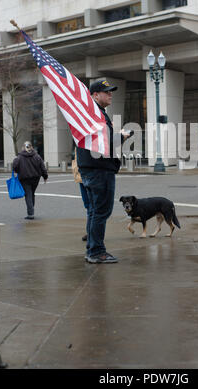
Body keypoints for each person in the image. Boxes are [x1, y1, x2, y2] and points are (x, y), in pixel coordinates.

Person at [77, 79, 131, 264]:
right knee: (100, 212)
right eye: (106, 91)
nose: (110, 94)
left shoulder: (90, 114)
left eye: (111, 91)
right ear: (95, 95)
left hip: (91, 169)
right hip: (99, 170)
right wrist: (122, 137)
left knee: (94, 211)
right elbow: (104, 143)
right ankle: (96, 251)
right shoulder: (96, 115)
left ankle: (92, 248)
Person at [13, 141, 48, 219]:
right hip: (36, 179)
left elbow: (15, 166)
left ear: (23, 147)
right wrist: (45, 176)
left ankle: (30, 213)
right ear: (31, 147)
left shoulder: (19, 157)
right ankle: (31, 210)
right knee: (32, 194)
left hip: (25, 179)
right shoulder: (37, 156)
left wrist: (17, 170)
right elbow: (42, 167)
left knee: (28, 194)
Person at [72, 148, 89, 242]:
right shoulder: (78, 143)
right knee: (88, 206)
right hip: (81, 177)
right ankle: (90, 231)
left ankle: (92, 232)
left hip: (89, 177)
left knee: (93, 206)